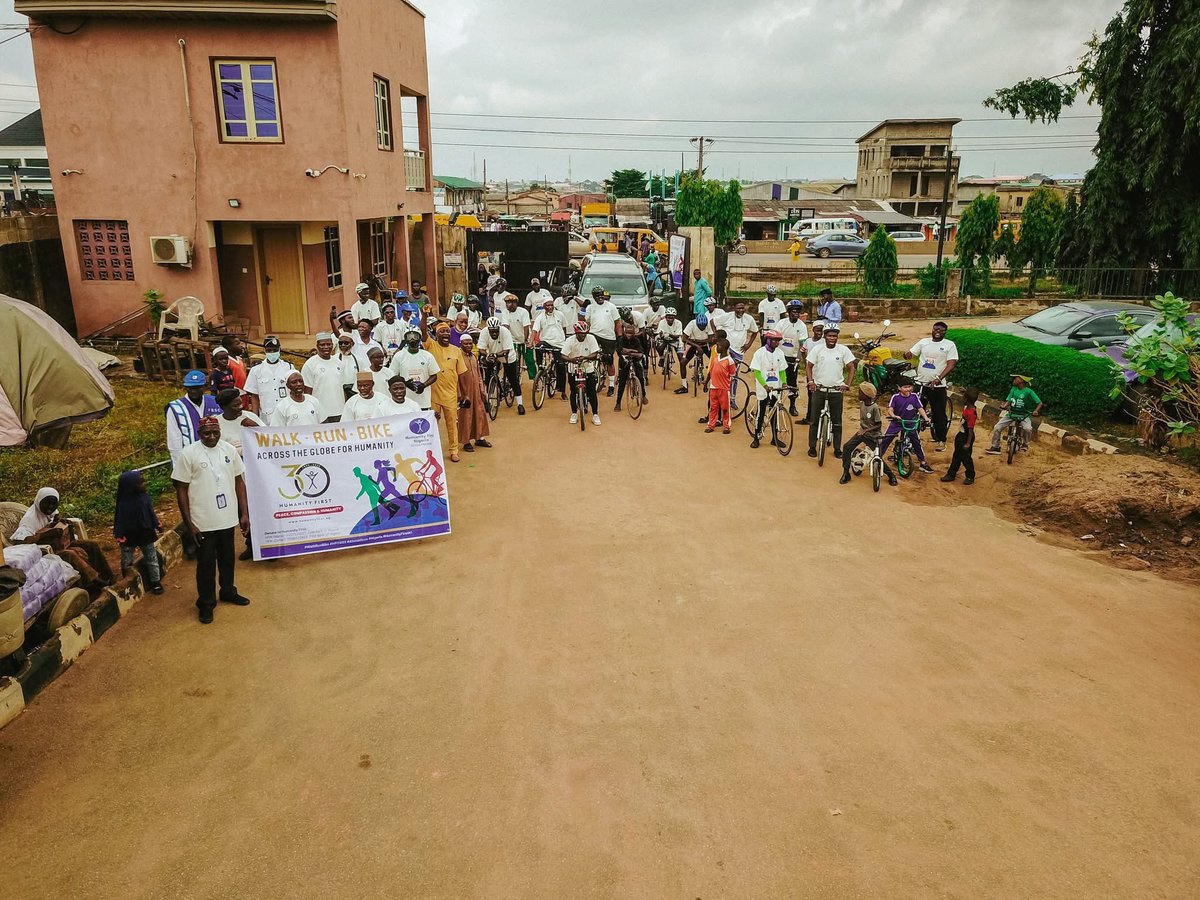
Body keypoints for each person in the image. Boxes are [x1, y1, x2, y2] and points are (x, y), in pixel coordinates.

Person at [172, 417, 250, 623]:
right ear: (199, 433)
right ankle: (206, 603)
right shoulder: (189, 454)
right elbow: (181, 489)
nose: (212, 437)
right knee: (205, 564)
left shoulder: (228, 450)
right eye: (207, 433)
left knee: (227, 559)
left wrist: (244, 513)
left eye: (215, 432)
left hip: (226, 518)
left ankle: (228, 591)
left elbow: (239, 482)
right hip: (203, 521)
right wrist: (189, 524)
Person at [9, 487, 115, 590]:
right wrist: (44, 534)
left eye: (53, 503)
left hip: (58, 544)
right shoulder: (30, 519)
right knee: (72, 554)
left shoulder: (50, 511)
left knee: (92, 545)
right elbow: (20, 541)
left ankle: (108, 575)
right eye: (47, 503)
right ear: (38, 501)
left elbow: (56, 516)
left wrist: (60, 522)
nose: (50, 506)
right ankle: (97, 582)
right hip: (45, 552)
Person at [905, 321, 959, 451]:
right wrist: (907, 355)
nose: (937, 332)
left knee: (939, 414)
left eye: (941, 330)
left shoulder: (949, 345)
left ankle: (941, 440)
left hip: (937, 387)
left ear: (945, 332)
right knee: (914, 412)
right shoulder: (924, 342)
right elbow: (911, 353)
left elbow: (951, 364)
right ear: (932, 329)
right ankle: (912, 440)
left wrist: (939, 379)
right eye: (936, 329)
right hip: (920, 384)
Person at [805, 324, 856, 458]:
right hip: (819, 389)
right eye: (829, 335)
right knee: (814, 420)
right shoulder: (817, 349)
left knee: (837, 421)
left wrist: (847, 384)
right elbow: (809, 366)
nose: (832, 338)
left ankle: (837, 449)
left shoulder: (843, 350)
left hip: (836, 391)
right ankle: (812, 447)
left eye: (834, 336)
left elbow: (851, 367)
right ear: (824, 336)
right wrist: (811, 381)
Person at [113, 471, 163, 593]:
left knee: (151, 558)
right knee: (127, 561)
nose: (144, 484)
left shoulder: (144, 497)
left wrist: (157, 524)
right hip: (128, 535)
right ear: (131, 485)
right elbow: (119, 519)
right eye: (141, 482)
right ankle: (128, 582)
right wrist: (119, 534)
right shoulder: (123, 503)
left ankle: (156, 582)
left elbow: (150, 512)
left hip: (145, 532)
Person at [839, 382, 895, 487]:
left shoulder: (874, 408)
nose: (858, 393)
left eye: (860, 392)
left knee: (877, 456)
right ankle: (846, 473)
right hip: (862, 433)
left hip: (873, 436)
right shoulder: (862, 403)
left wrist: (866, 430)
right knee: (847, 447)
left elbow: (878, 425)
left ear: (866, 395)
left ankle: (891, 475)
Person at [426, 323, 468, 462]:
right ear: (436, 334)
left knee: (451, 424)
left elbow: (461, 374)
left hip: (450, 394)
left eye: (447, 332)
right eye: (442, 331)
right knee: (432, 424)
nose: (446, 334)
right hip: (433, 394)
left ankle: (454, 451)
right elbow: (422, 332)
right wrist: (424, 314)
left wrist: (465, 394)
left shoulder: (456, 350)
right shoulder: (431, 346)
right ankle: (431, 451)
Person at [878, 378, 935, 474]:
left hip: (910, 422)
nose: (908, 389)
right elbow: (890, 409)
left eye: (909, 387)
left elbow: (920, 408)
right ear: (899, 388)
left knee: (916, 442)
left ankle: (922, 462)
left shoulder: (914, 396)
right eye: (905, 387)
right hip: (897, 422)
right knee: (886, 439)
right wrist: (894, 416)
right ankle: (878, 458)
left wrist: (926, 418)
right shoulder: (895, 397)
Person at [166, 370, 222, 467]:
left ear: (205, 386)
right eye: (190, 388)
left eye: (197, 387)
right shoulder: (176, 408)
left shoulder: (215, 402)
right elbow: (174, 440)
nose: (193, 391)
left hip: (216, 456)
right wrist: (179, 467)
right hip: (191, 460)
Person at [476, 316, 525, 415]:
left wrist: (495, 355)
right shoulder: (484, 332)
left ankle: (520, 404)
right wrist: (488, 355)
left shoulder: (505, 332)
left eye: (496, 331)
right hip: (492, 354)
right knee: (488, 378)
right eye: (491, 331)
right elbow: (481, 348)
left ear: (499, 328)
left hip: (507, 356)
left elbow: (506, 350)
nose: (494, 333)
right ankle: (489, 401)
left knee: (513, 379)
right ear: (488, 329)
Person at [749, 329, 789, 449]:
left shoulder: (780, 353)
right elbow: (757, 372)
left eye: (778, 340)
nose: (777, 343)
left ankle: (774, 438)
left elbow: (782, 370)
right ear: (768, 340)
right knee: (761, 413)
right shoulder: (759, 353)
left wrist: (784, 383)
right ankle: (756, 437)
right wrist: (764, 385)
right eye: (775, 340)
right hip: (763, 388)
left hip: (775, 388)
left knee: (774, 413)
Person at [242, 336, 294, 421]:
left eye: (275, 350)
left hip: (287, 413)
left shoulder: (289, 367)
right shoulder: (256, 370)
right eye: (269, 350)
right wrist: (255, 417)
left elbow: (294, 390)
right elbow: (254, 396)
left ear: (279, 349)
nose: (272, 352)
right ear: (264, 350)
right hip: (267, 416)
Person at [987, 375, 1043, 454]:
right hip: (1011, 414)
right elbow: (1009, 400)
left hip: (1024, 415)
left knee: (1028, 429)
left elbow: (1039, 403)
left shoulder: (1029, 392)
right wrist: (1004, 406)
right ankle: (995, 447)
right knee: (997, 427)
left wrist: (1036, 411)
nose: (1014, 380)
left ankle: (1025, 444)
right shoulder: (1013, 389)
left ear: (1022, 381)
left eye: (1016, 378)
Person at [560, 322, 602, 426]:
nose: (583, 335)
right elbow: (563, 355)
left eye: (585, 333)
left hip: (588, 368)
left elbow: (595, 354)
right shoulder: (570, 340)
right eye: (581, 333)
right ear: (576, 333)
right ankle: (574, 413)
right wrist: (571, 359)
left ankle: (595, 414)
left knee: (592, 392)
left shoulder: (591, 338)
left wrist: (585, 358)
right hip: (573, 368)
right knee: (573, 392)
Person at [388, 329, 440, 412]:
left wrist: (424, 385)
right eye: (409, 337)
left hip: (423, 400)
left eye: (415, 337)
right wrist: (405, 383)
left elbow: (434, 376)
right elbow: (392, 375)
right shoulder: (399, 356)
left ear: (419, 338)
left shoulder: (427, 356)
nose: (412, 339)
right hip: (405, 400)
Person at [456, 334, 492, 450]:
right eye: (465, 343)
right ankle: (466, 441)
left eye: (470, 343)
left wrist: (482, 389)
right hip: (465, 391)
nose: (468, 346)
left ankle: (479, 438)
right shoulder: (458, 357)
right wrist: (460, 394)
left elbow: (478, 374)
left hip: (476, 390)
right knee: (466, 416)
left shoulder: (473, 356)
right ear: (460, 344)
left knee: (480, 413)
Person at [585, 286, 622, 396]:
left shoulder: (611, 307)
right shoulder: (590, 308)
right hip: (594, 335)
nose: (600, 297)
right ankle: (590, 380)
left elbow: (617, 322)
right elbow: (587, 322)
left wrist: (619, 336)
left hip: (609, 337)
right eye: (597, 295)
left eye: (601, 294)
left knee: (609, 360)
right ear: (593, 297)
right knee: (590, 357)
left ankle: (611, 385)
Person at [300, 334, 346, 423]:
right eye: (322, 345)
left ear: (332, 345)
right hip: (320, 412)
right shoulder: (310, 364)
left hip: (339, 411)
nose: (326, 347)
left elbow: (341, 387)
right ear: (317, 346)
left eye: (329, 344)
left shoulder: (338, 363)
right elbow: (307, 391)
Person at [777, 300, 809, 417]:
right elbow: (776, 338)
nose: (796, 314)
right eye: (794, 311)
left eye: (798, 312)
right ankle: (776, 403)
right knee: (778, 381)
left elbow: (802, 345)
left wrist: (798, 359)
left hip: (793, 358)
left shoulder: (802, 326)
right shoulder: (781, 323)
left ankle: (792, 405)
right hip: (781, 356)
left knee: (792, 383)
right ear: (789, 312)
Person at [532, 297, 568, 399]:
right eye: (548, 305)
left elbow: (564, 327)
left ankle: (563, 391)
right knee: (538, 347)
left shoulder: (560, 314)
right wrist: (530, 342)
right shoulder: (540, 317)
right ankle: (540, 368)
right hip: (546, 341)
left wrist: (564, 341)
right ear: (544, 307)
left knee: (561, 367)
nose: (550, 307)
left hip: (559, 343)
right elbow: (535, 330)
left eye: (551, 305)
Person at [942, 387, 979, 485]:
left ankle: (970, 476)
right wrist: (964, 392)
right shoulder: (968, 406)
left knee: (966, 458)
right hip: (961, 435)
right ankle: (951, 474)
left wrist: (968, 443)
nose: (962, 399)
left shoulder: (971, 413)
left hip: (966, 436)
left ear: (967, 400)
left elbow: (970, 430)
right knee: (956, 456)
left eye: (963, 397)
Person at [613, 312, 648, 413]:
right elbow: (620, 351)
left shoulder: (636, 340)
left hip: (635, 360)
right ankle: (618, 402)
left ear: (633, 333)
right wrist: (633, 352)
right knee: (622, 382)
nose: (628, 335)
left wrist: (629, 351)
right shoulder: (620, 340)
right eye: (626, 333)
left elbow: (641, 352)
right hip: (624, 361)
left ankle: (644, 395)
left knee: (641, 377)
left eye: (630, 333)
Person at [215, 388, 264, 457]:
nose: (241, 407)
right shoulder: (216, 423)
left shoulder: (251, 416)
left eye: (241, 403)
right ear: (224, 407)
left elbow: (269, 439)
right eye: (236, 405)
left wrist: (256, 427)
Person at [500, 293, 535, 380]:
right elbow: (505, 327)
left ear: (515, 303)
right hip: (513, 338)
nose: (508, 305)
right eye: (507, 303)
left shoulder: (523, 312)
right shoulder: (504, 313)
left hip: (524, 337)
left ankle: (534, 378)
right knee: (511, 358)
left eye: (510, 303)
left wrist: (526, 340)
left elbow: (526, 327)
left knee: (529, 359)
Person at [705, 338, 737, 434]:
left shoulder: (730, 361)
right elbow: (710, 372)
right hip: (713, 387)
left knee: (725, 408)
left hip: (724, 389)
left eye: (718, 346)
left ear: (723, 348)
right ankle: (711, 425)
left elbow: (732, 374)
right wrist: (706, 383)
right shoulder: (715, 359)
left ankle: (726, 426)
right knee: (713, 407)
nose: (716, 348)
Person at [797, 322, 825, 425]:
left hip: (821, 372)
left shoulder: (824, 342)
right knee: (811, 395)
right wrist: (806, 362)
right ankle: (810, 417)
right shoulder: (808, 342)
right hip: (811, 372)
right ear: (813, 330)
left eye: (821, 330)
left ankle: (818, 418)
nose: (819, 333)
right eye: (817, 330)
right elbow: (803, 351)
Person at [655, 307, 688, 394]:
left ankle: (684, 383)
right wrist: (662, 335)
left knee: (682, 361)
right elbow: (660, 334)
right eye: (668, 317)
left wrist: (668, 334)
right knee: (658, 345)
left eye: (672, 317)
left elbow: (677, 336)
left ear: (675, 317)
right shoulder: (662, 322)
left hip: (676, 341)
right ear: (665, 317)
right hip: (664, 339)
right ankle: (662, 358)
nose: (670, 319)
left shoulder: (678, 323)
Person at [335, 333, 358, 399]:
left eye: (346, 343)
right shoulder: (334, 359)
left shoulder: (359, 360)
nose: (343, 345)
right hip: (338, 393)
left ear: (352, 344)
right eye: (340, 343)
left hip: (354, 393)